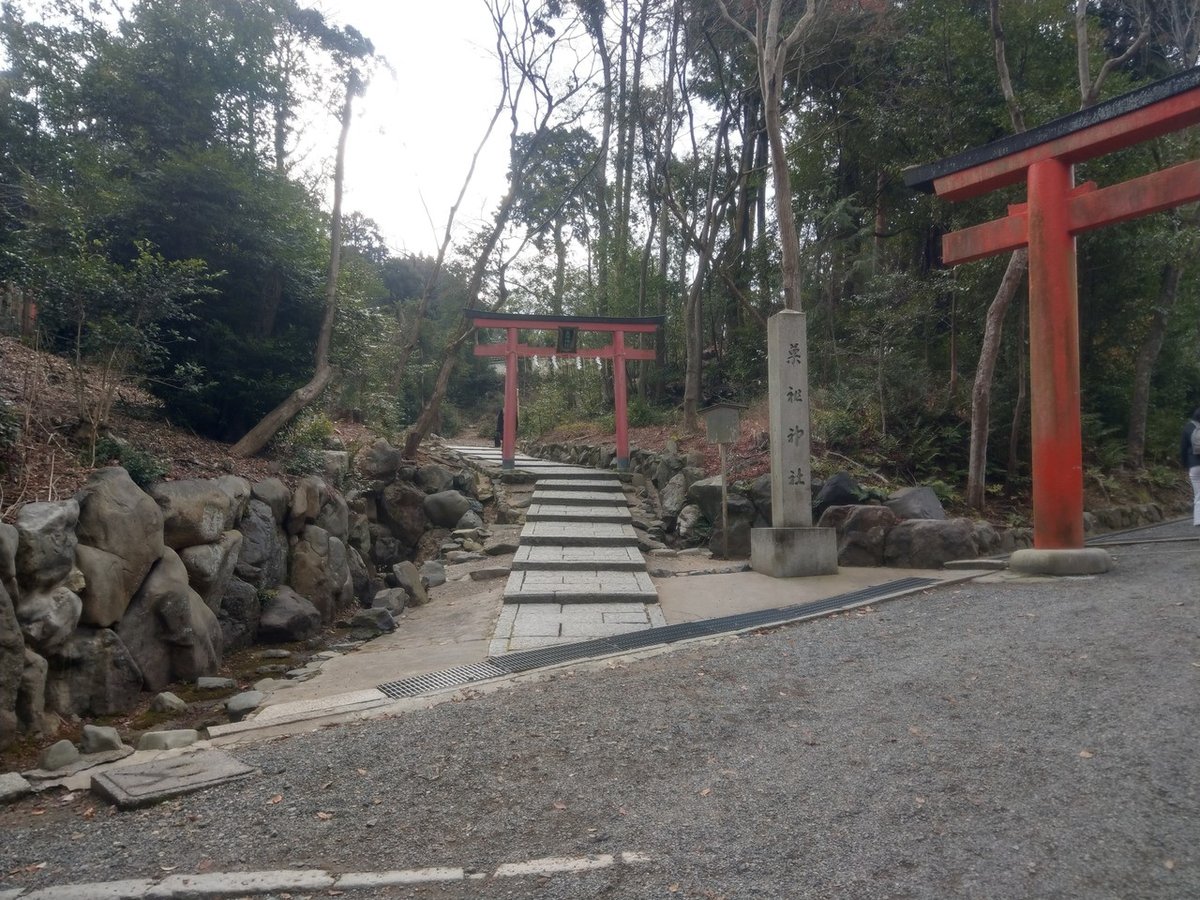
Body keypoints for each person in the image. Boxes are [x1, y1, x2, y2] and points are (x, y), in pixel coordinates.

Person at [1182, 406, 1200, 526]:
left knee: (1198, 495)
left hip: (1194, 466)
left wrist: (1186, 464)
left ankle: (1198, 520)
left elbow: (1183, 450)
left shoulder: (1187, 428)